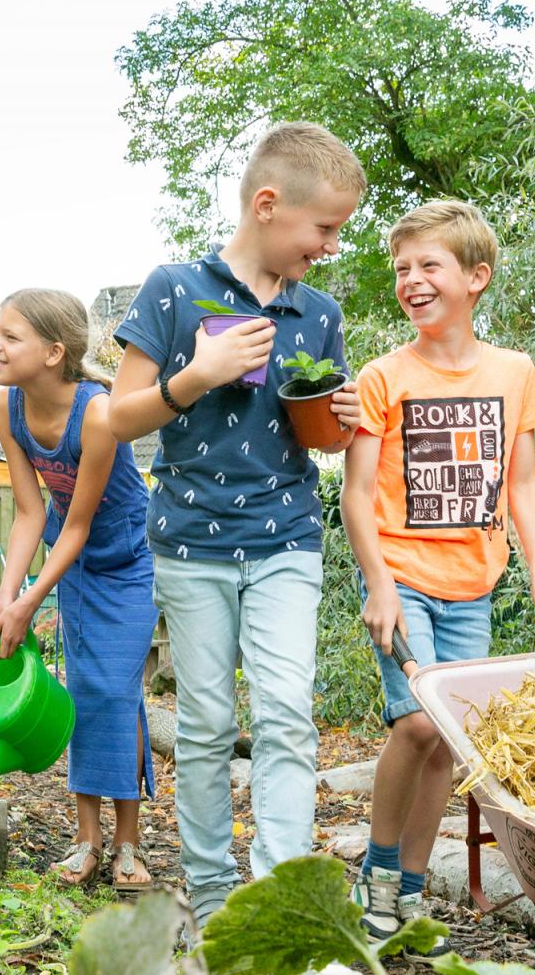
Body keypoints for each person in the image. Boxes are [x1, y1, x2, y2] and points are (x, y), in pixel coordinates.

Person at [107, 122, 366, 926]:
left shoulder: (317, 312)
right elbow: (117, 417)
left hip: (286, 537)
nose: (331, 246)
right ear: (267, 204)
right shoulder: (174, 289)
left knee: (286, 711)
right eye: (324, 228)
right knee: (208, 722)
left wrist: (340, 422)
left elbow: (317, 435)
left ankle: (280, 896)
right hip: (192, 543)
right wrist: (198, 374)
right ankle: (216, 897)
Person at [339, 200, 535, 948]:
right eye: (401, 268)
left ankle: (410, 891)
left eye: (428, 265)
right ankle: (376, 876)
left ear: (476, 277)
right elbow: (355, 493)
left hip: (474, 583)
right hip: (400, 574)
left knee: (449, 743)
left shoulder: (513, 372)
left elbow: (523, 483)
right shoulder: (382, 377)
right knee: (415, 722)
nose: (411, 279)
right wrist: (378, 583)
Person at [0, 288, 158, 891]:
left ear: (54, 352)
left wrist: (31, 600)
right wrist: (7, 598)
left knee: (116, 690)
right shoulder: (5, 409)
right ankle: (88, 841)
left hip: (130, 560)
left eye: (10, 336)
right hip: (74, 563)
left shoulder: (98, 414)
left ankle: (128, 845)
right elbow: (30, 512)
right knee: (85, 691)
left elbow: (80, 523)